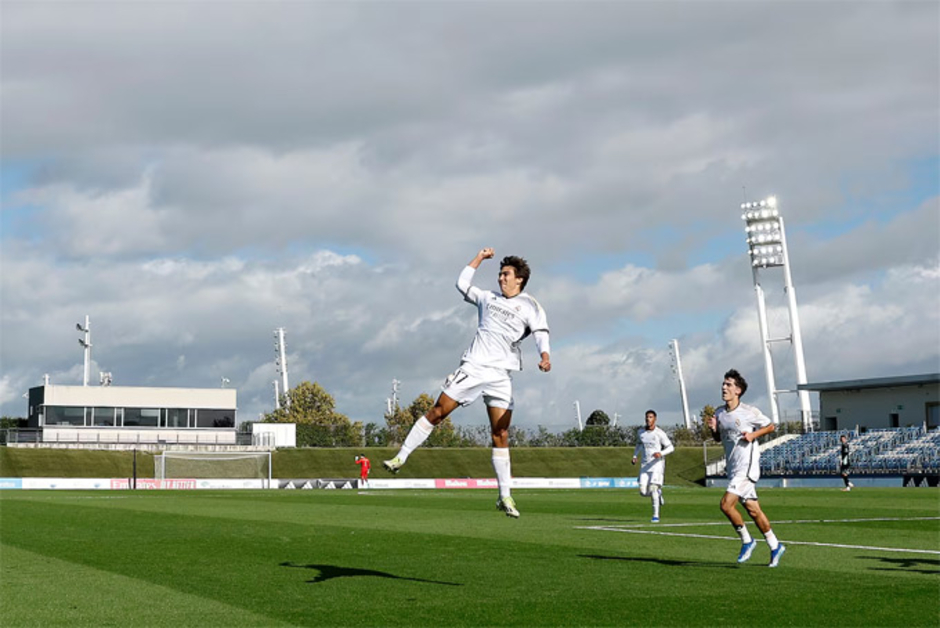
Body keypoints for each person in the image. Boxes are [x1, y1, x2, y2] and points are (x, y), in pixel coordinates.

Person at [383, 248, 551, 518]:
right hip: (474, 367)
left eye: (505, 274)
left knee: (501, 434)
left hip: (501, 375)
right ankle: (401, 456)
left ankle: (505, 495)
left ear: (519, 279)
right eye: (499, 274)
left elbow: (541, 334)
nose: (500, 278)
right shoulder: (487, 298)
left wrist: (545, 356)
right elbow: (461, 284)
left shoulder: (531, 306)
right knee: (438, 411)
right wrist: (478, 258)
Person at [707, 369, 786, 568]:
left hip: (747, 468)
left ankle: (747, 541)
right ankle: (775, 545)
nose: (724, 388)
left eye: (729, 385)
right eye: (723, 384)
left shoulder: (749, 412)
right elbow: (719, 439)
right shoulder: (719, 412)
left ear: (738, 390)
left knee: (726, 505)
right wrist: (714, 430)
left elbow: (770, 426)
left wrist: (753, 435)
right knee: (753, 511)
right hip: (733, 469)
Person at [631, 409, 674, 522]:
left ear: (655, 419)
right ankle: (659, 494)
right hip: (645, 465)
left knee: (653, 488)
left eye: (650, 417)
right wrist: (635, 456)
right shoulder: (641, 432)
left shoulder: (660, 433)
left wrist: (661, 453)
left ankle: (656, 516)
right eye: (647, 417)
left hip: (657, 465)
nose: (648, 419)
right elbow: (639, 444)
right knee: (643, 492)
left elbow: (671, 447)